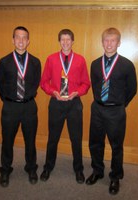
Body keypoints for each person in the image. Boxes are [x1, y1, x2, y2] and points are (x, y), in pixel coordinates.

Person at [86, 27, 137, 194]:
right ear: (102, 43)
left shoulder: (127, 65)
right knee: (95, 142)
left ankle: (115, 177)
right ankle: (98, 171)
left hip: (116, 111)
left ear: (119, 43)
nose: (109, 44)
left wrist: (120, 104)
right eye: (106, 40)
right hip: (98, 109)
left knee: (116, 146)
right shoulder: (94, 64)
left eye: (113, 40)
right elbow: (95, 85)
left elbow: (132, 89)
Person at [40, 29, 90, 184]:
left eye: (68, 39)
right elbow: (43, 82)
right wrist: (53, 92)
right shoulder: (51, 59)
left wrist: (77, 93)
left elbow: (86, 84)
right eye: (63, 39)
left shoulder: (80, 60)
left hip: (74, 104)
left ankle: (79, 169)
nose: (66, 42)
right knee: (53, 138)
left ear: (73, 41)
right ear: (59, 41)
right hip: (56, 103)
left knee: (76, 139)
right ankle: (48, 167)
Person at [0, 26, 41, 187]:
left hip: (29, 107)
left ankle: (31, 168)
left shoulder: (35, 62)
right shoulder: (4, 61)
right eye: (17, 37)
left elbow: (36, 83)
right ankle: (5, 170)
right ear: (13, 40)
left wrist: (26, 97)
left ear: (28, 41)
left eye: (24, 38)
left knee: (30, 140)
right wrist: (9, 100)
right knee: (7, 140)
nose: (21, 40)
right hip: (10, 107)